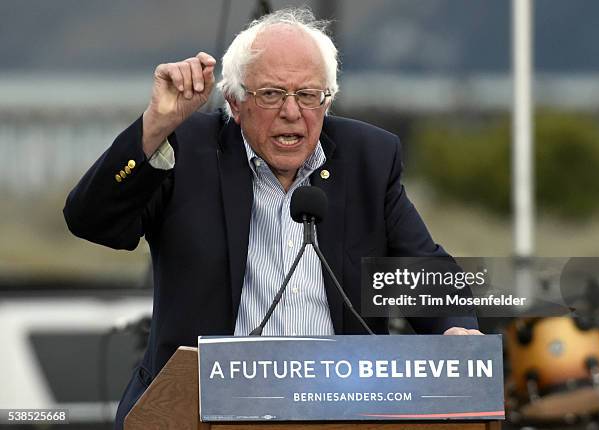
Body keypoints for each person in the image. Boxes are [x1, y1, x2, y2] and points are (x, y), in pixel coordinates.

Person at [63, 8, 480, 429]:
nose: (292, 112)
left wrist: (455, 331)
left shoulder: (367, 160)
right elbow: (89, 219)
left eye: (308, 95)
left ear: (327, 100)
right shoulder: (186, 150)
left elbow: (425, 273)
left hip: (339, 411)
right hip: (199, 411)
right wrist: (155, 126)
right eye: (271, 94)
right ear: (235, 102)